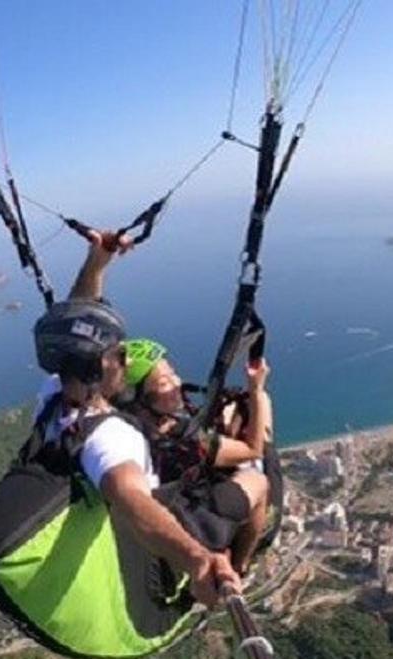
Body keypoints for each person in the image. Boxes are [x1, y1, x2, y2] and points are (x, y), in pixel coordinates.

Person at [28, 231, 242, 607]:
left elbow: (77, 321)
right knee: (253, 480)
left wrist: (97, 262)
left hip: (120, 520)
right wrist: (197, 561)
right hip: (155, 538)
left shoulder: (53, 393)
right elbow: (130, 499)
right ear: (99, 366)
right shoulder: (109, 437)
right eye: (120, 354)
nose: (127, 361)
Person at [120, 338, 274, 575]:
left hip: (162, 506)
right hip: (191, 519)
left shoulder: (122, 428)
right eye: (164, 383)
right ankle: (240, 564)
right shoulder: (183, 440)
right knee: (258, 480)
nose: (177, 383)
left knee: (230, 414)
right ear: (139, 400)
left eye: (173, 374)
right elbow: (253, 449)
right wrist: (256, 389)